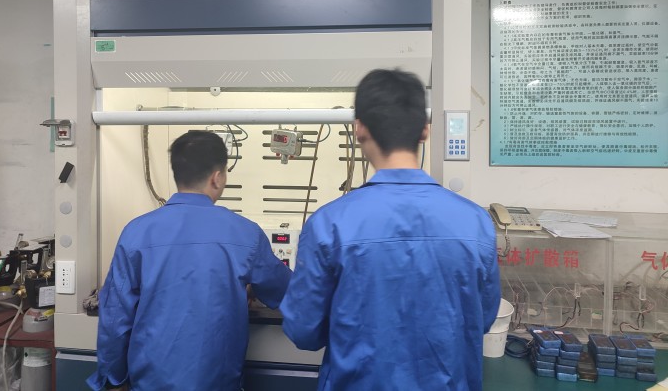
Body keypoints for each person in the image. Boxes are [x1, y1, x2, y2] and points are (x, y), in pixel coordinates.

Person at [280, 68, 501, 390]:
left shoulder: (329, 224)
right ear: (424, 130)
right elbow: (482, 319)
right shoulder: (475, 222)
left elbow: (303, 331)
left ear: (359, 129)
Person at [87, 130, 292, 391]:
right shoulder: (245, 233)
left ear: (177, 174)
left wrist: (114, 380)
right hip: (217, 383)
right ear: (217, 177)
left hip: (149, 383)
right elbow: (286, 292)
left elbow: (115, 317)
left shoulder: (136, 232)